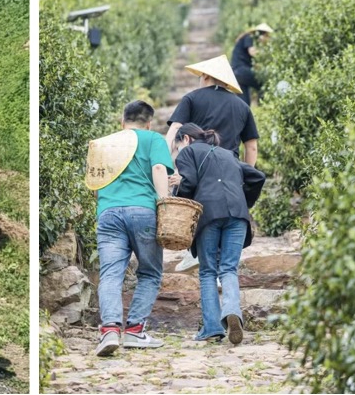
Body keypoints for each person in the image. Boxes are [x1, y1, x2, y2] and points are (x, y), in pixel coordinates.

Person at [91, 100, 173, 356]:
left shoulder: (102, 144)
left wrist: (105, 206)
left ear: (121, 121)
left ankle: (110, 331)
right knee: (149, 272)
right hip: (142, 211)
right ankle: (135, 331)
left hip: (108, 212)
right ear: (149, 123)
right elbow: (159, 168)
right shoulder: (152, 139)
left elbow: (95, 183)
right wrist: (164, 204)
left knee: (111, 275)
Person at [165, 55, 259, 272]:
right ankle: (221, 266)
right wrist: (245, 174)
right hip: (230, 168)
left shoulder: (191, 98)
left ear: (206, 76)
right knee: (225, 212)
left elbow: (174, 130)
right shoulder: (242, 106)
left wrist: (164, 162)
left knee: (196, 208)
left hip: (197, 165)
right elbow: (251, 146)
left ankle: (196, 253)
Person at [173, 123, 265, 345]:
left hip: (209, 214)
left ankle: (212, 327)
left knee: (207, 271)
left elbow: (190, 183)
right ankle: (232, 311)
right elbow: (257, 177)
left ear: (185, 139)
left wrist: (178, 193)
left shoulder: (188, 152)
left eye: (177, 147)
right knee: (229, 268)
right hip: (237, 214)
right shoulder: (228, 154)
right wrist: (243, 201)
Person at [231, 23, 273, 106]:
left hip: (236, 72)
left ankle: (243, 117)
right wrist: (268, 55)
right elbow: (252, 52)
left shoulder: (247, 38)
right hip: (241, 70)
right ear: (262, 34)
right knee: (263, 83)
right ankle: (263, 107)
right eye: (267, 36)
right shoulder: (249, 37)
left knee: (243, 101)